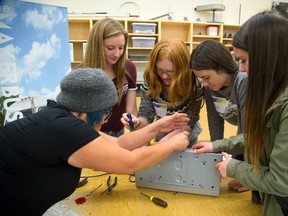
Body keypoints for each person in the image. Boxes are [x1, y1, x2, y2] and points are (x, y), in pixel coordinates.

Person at [0, 68, 190, 215]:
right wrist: (171, 144)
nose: (106, 119)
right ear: (89, 110)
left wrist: (158, 127)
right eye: (105, 112)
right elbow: (129, 162)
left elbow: (118, 144)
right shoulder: (66, 129)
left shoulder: (60, 118)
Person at [192, 11, 288, 216]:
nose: (241, 69)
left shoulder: (248, 85)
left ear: (268, 57)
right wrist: (216, 148)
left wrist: (237, 169)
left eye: (244, 60)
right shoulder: (273, 93)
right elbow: (256, 137)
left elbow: (279, 181)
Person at [190, 39, 248, 192]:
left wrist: (244, 174)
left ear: (221, 67)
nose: (204, 83)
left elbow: (247, 134)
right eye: (201, 78)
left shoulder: (243, 81)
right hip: (242, 129)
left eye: (207, 77)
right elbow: (214, 120)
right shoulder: (210, 87)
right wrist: (214, 157)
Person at [121, 38, 203, 147]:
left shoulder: (194, 86)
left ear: (183, 70)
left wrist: (165, 143)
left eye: (170, 72)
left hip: (185, 137)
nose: (164, 76)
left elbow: (191, 121)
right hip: (160, 136)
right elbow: (146, 115)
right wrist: (138, 123)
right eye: (159, 70)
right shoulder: (151, 82)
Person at [82, 18, 137, 137]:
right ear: (97, 46)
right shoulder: (81, 73)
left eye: (121, 48)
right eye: (110, 48)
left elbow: (131, 109)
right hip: (91, 134)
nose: (117, 54)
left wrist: (133, 124)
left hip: (119, 131)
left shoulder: (129, 68)